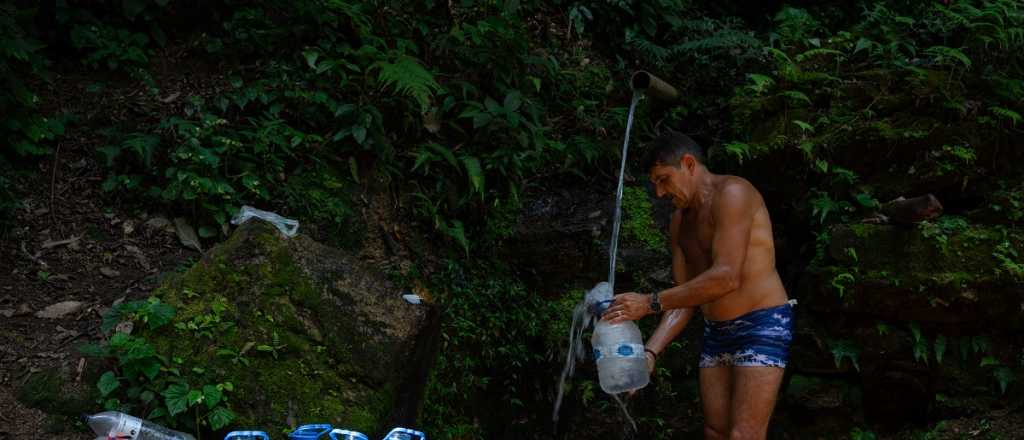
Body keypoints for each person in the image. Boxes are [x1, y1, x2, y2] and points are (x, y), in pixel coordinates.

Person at [601, 130, 794, 440]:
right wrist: (650, 353)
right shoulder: (680, 222)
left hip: (761, 323)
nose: (660, 193)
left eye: (663, 179)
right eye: (655, 184)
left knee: (744, 435)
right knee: (715, 431)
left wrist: (648, 302)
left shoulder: (733, 193)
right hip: (717, 332)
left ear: (689, 164)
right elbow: (684, 298)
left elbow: (726, 276)